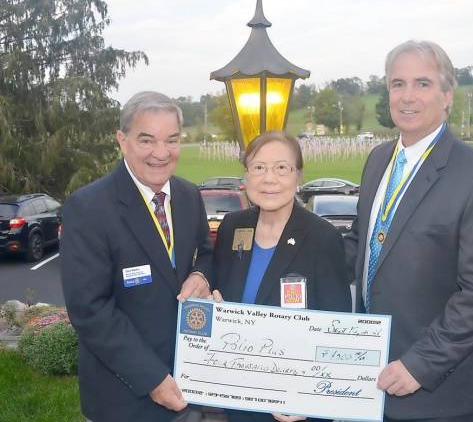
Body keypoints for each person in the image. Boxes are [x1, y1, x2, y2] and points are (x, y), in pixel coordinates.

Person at [343, 40, 473, 422]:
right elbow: (361, 245)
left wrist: (421, 364)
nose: (407, 97)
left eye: (422, 84)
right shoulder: (377, 161)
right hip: (371, 379)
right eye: (397, 84)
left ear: (447, 95)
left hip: (436, 390)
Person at [61, 91, 213, 422]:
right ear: (122, 140)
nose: (161, 153)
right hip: (124, 398)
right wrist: (152, 379)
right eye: (147, 140)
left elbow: (208, 254)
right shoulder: (87, 208)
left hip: (190, 387)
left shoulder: (188, 195)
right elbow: (90, 311)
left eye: (171, 140)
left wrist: (201, 276)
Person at [212, 132, 352, 422]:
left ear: (297, 176)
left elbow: (335, 331)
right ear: (246, 176)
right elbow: (220, 294)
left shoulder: (322, 238)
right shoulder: (232, 227)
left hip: (294, 410)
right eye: (258, 167)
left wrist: (309, 402)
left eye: (281, 168)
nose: (269, 178)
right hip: (238, 400)